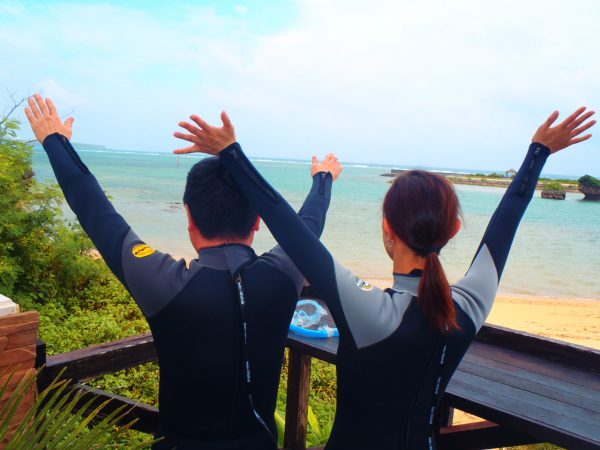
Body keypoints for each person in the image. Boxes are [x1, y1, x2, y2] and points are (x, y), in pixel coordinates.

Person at [173, 107, 595, 449]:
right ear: (453, 231)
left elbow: (290, 229)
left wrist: (232, 154)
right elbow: (505, 223)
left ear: (387, 229)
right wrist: (538, 152)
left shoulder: (371, 311)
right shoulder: (469, 304)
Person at [24, 95, 343, 450]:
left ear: (189, 216)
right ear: (257, 221)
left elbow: (97, 213)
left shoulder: (164, 283)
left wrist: (56, 142)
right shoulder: (284, 273)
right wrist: (323, 178)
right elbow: (307, 225)